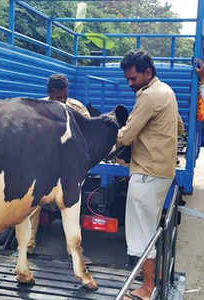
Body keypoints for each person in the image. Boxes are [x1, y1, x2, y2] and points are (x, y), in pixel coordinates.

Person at [117, 50, 179, 300]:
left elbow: (126, 135)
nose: (130, 84)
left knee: (141, 231)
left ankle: (147, 287)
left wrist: (108, 139)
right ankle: (156, 279)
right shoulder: (166, 90)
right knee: (150, 227)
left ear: (148, 73)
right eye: (127, 79)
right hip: (161, 170)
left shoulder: (149, 96)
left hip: (147, 172)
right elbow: (179, 125)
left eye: (133, 79)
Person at [27, 73, 91, 255]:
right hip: (44, 165)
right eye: (57, 97)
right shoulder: (38, 108)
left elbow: (87, 133)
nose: (61, 100)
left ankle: (73, 250)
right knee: (33, 206)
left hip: (69, 166)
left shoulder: (77, 108)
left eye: (64, 96)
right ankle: (27, 246)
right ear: (50, 92)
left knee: (70, 206)